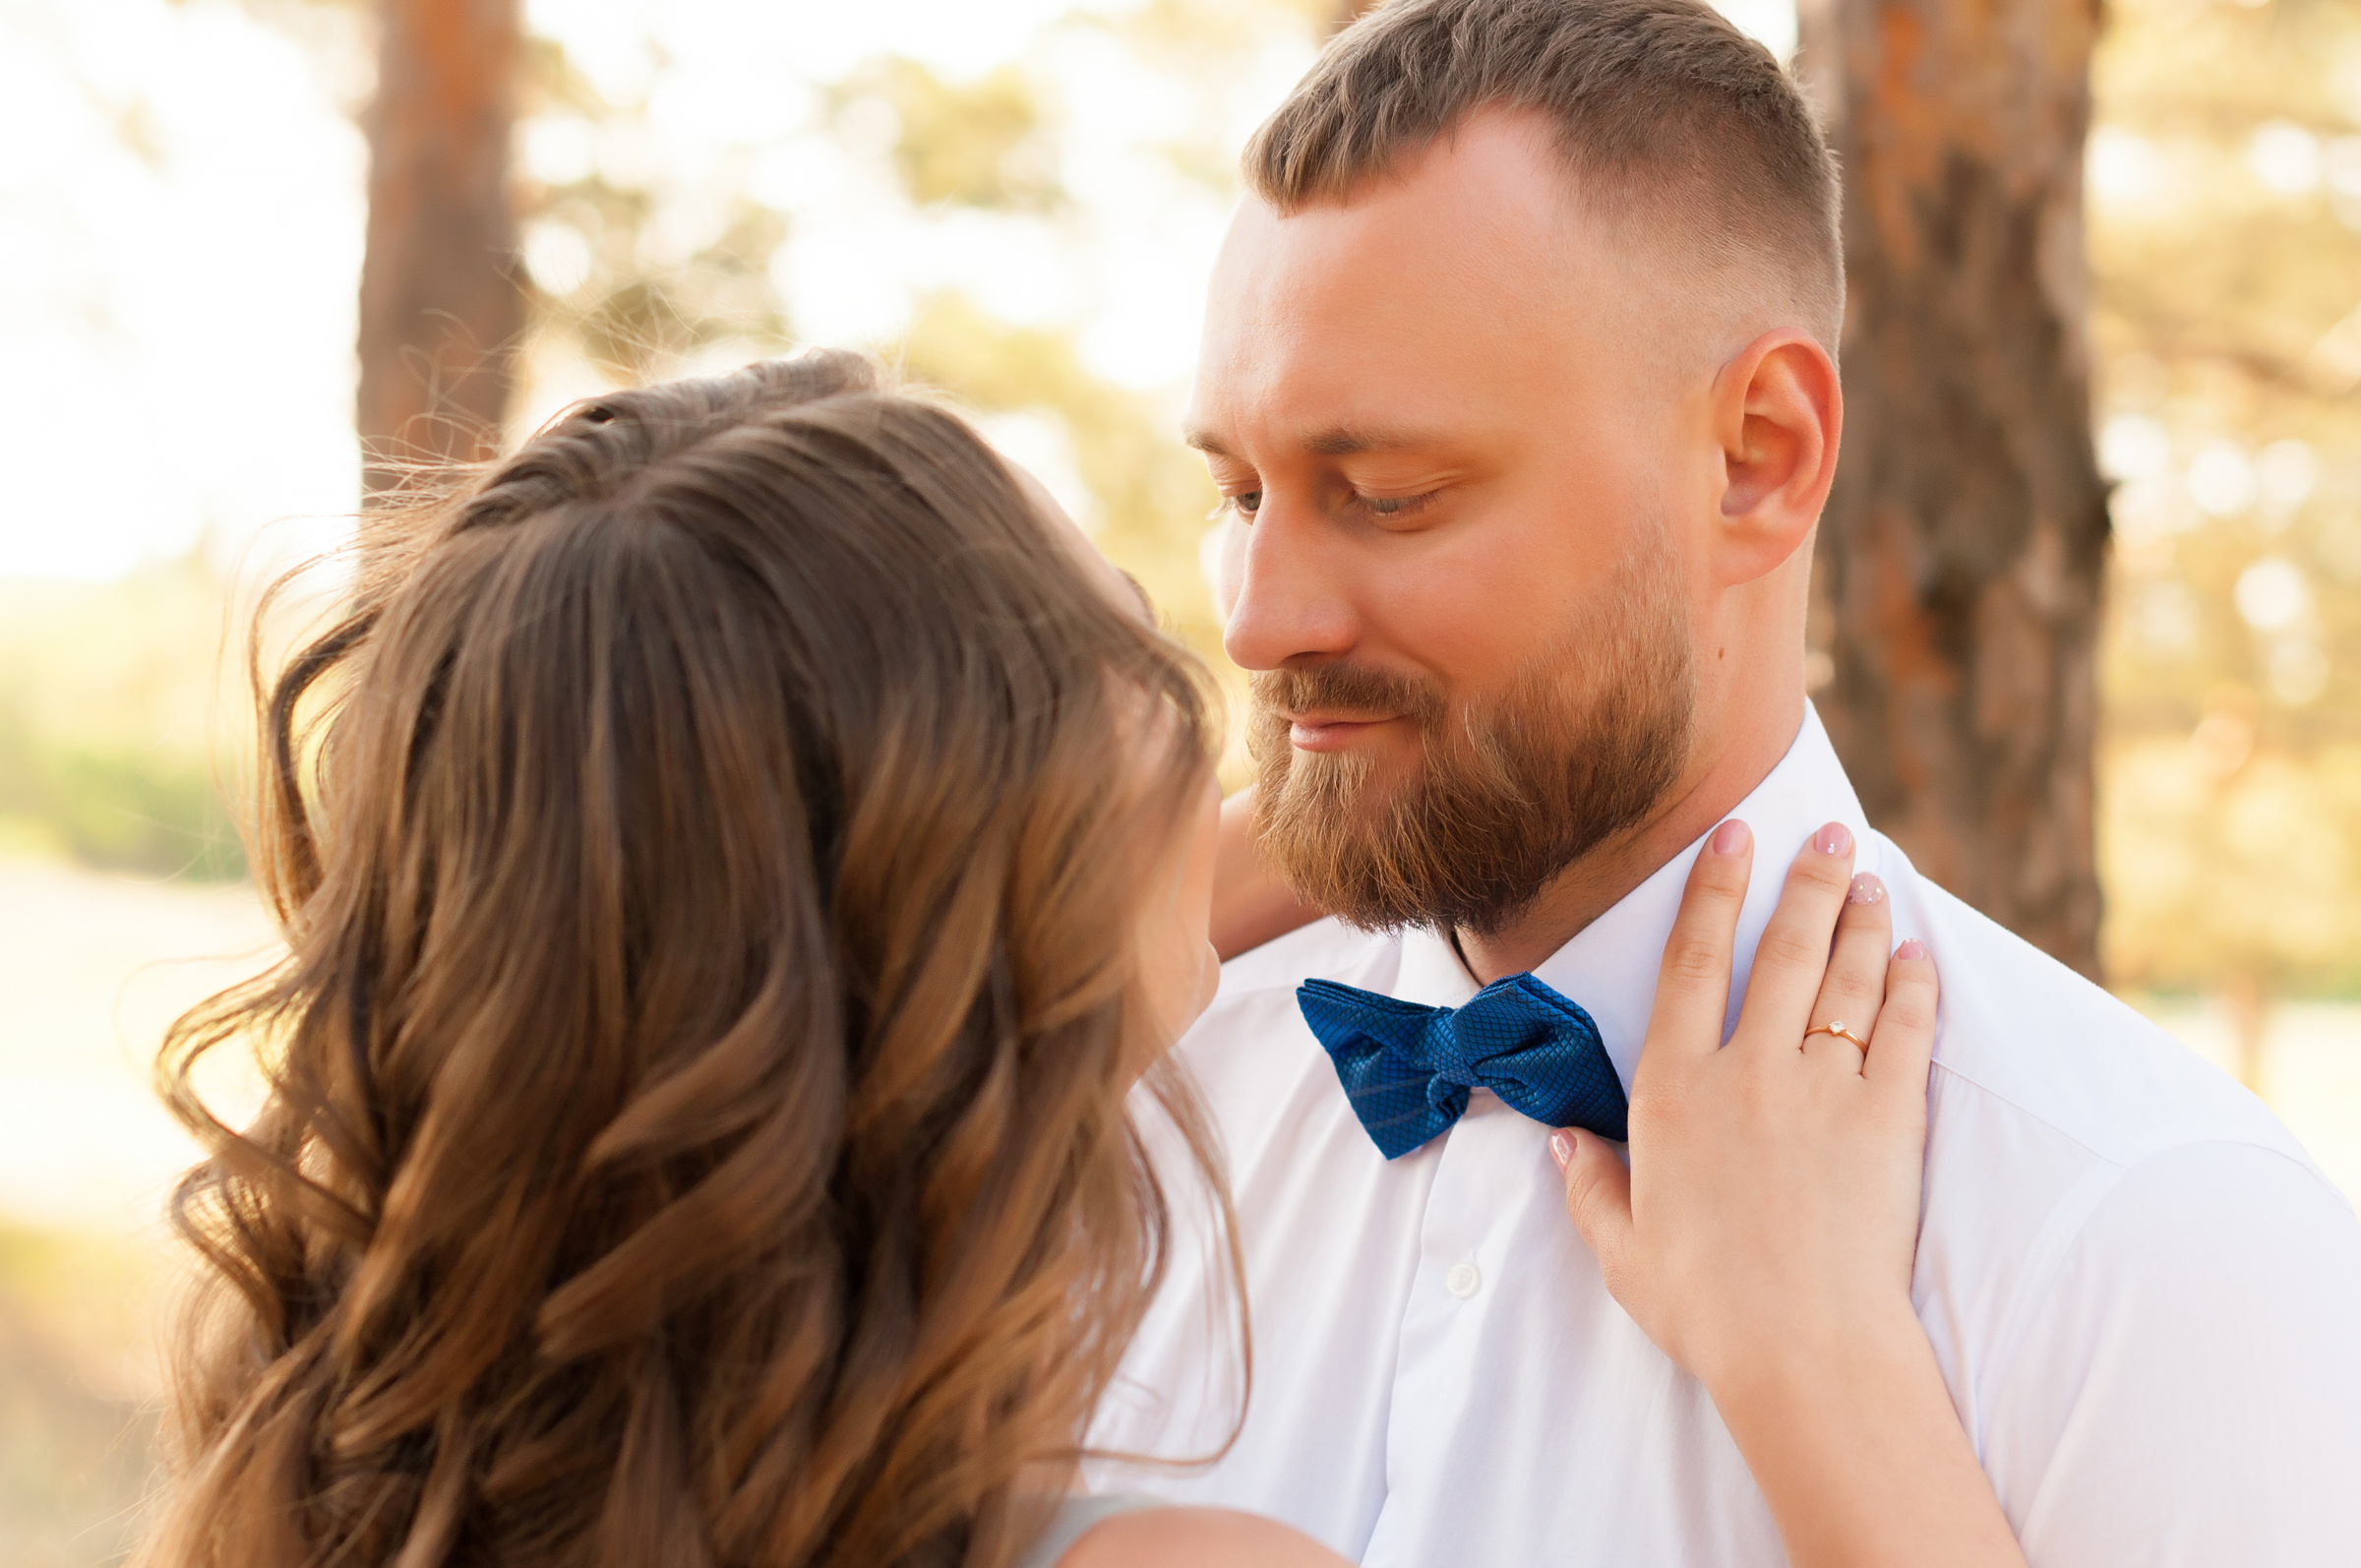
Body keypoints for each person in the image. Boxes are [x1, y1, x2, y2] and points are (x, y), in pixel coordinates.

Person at [137, 352, 2023, 1568]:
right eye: (1126, 648)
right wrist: (1819, 1348)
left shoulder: (342, 1488)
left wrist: (1479, 755)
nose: (1246, 649)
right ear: (995, 894)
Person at [1088, 1, 2361, 1563]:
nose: (1256, 620)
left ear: (1758, 455)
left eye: (1390, 495)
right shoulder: (1116, 1096)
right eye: (1238, 491)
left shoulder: (2156, 1240)